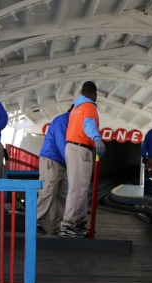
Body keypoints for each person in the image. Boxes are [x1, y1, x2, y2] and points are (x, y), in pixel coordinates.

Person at [59, 81, 106, 238]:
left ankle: (78, 223)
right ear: (94, 93)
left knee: (82, 188)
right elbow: (89, 124)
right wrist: (97, 138)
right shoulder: (89, 106)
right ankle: (67, 225)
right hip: (80, 149)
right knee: (78, 188)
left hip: (73, 147)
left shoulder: (76, 107)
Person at [36, 106, 71, 235]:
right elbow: (62, 142)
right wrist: (71, 162)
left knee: (60, 194)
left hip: (62, 161)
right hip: (52, 159)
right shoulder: (63, 120)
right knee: (48, 191)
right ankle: (35, 221)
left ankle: (57, 226)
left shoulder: (71, 121)